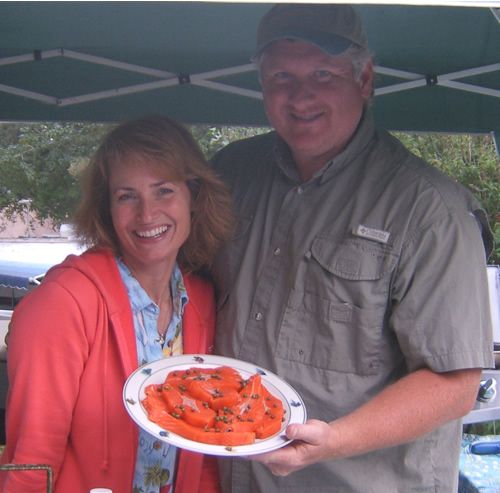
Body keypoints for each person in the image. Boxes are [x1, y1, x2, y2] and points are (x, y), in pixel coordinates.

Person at [210, 4, 494, 493]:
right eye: (281, 75)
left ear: (364, 79)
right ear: (262, 85)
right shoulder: (229, 175)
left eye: (323, 72)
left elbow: (454, 384)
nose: (301, 95)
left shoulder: (430, 211)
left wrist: (335, 439)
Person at [0, 115, 233, 493]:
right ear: (107, 208)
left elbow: (202, 456)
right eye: (127, 196)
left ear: (194, 196)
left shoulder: (202, 300)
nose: (147, 214)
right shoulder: (62, 305)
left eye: (164, 191)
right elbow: (30, 462)